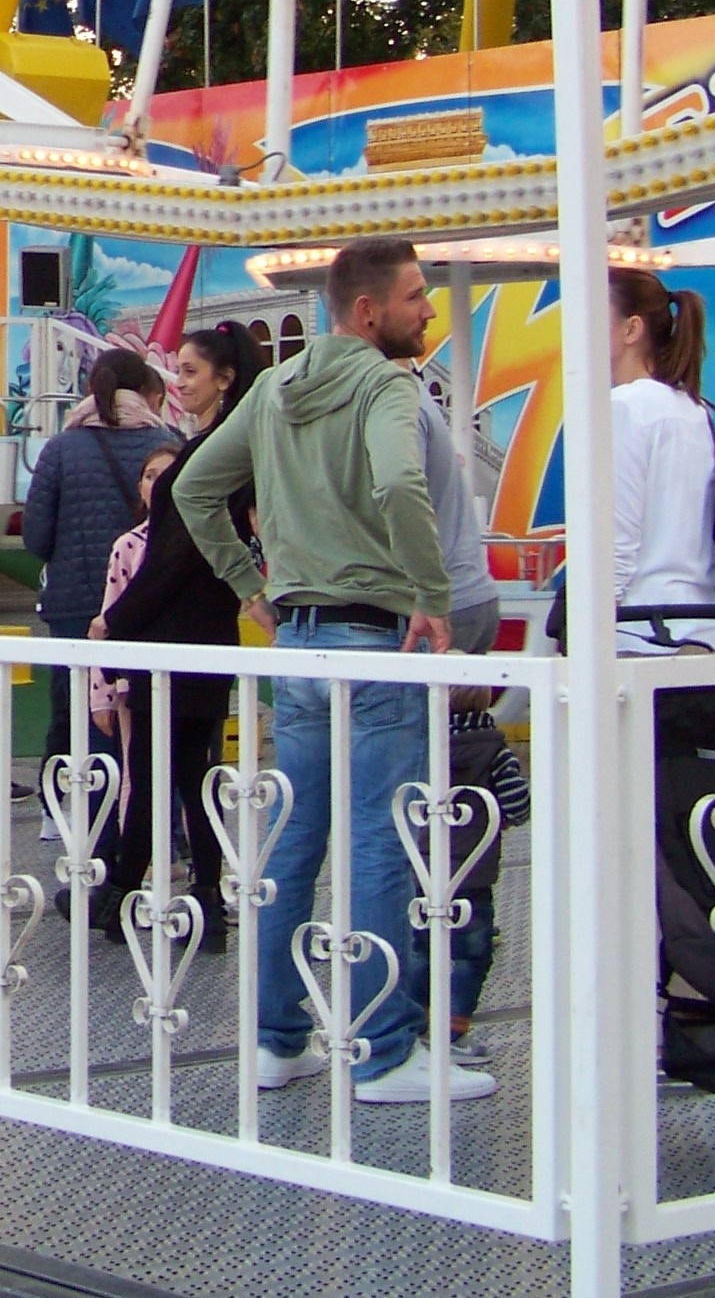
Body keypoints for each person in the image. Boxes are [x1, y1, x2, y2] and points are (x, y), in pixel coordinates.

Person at [173, 239, 496, 1106]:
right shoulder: (387, 386)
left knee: (295, 839)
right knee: (380, 841)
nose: (428, 309)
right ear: (367, 311)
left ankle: (277, 1040)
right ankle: (381, 1052)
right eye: (416, 296)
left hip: (301, 643)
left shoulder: (274, 388)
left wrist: (250, 586)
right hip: (376, 639)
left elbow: (193, 488)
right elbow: (398, 483)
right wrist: (430, 596)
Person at [95, 327, 260, 951]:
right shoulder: (224, 447)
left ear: (224, 379)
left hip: (175, 632)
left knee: (155, 771)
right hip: (202, 630)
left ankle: (121, 893)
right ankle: (204, 898)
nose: (179, 381)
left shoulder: (215, 453)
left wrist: (118, 620)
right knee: (193, 774)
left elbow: (176, 555)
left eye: (190, 371)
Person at [25, 350, 179, 830]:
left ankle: (82, 822)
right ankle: (157, 827)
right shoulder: (165, 444)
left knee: (81, 712)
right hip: (149, 603)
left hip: (74, 603)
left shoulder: (60, 448)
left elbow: (35, 537)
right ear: (146, 389)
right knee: (149, 713)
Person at [416, 354, 515, 1063]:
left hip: (423, 865)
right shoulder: (491, 747)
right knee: (471, 939)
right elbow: (519, 804)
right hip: (476, 873)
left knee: (416, 923)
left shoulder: (417, 749)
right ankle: (452, 1029)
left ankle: (409, 1018)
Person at [609, 267, 715, 654]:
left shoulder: (623, 406)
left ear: (632, 329)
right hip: (704, 626)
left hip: (641, 629)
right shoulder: (693, 408)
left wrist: (590, 621)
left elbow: (617, 536)